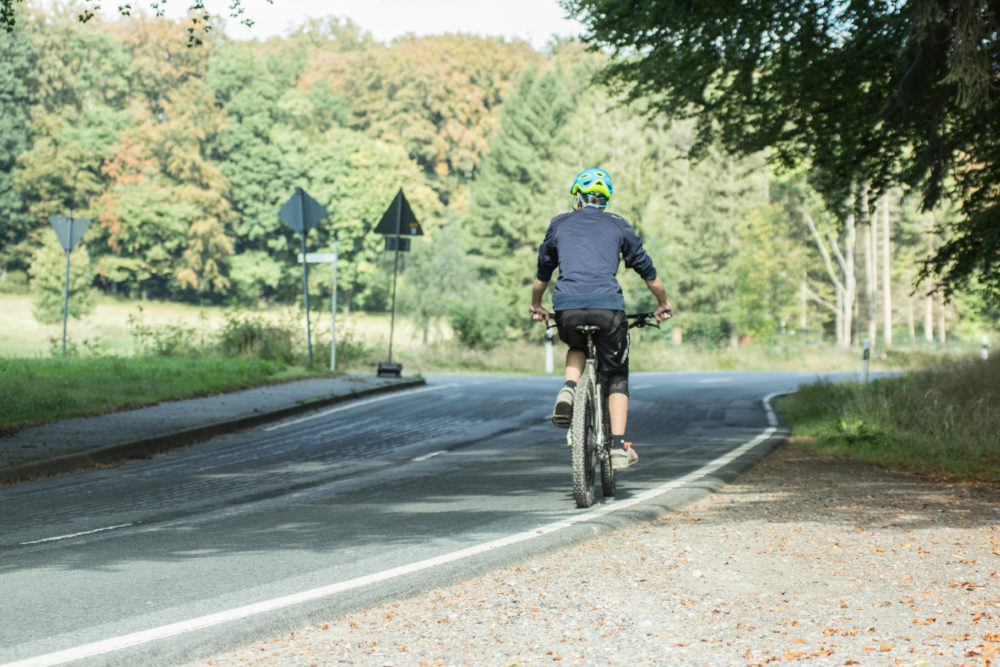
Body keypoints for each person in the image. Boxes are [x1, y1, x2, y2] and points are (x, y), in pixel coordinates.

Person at [529, 167, 672, 469]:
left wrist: (537, 305)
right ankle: (619, 446)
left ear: (577, 198)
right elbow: (648, 271)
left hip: (567, 307)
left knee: (577, 346)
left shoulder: (559, 223)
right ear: (604, 201)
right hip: (608, 309)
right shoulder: (619, 225)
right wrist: (662, 303)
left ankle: (569, 388)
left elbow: (543, 272)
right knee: (617, 373)